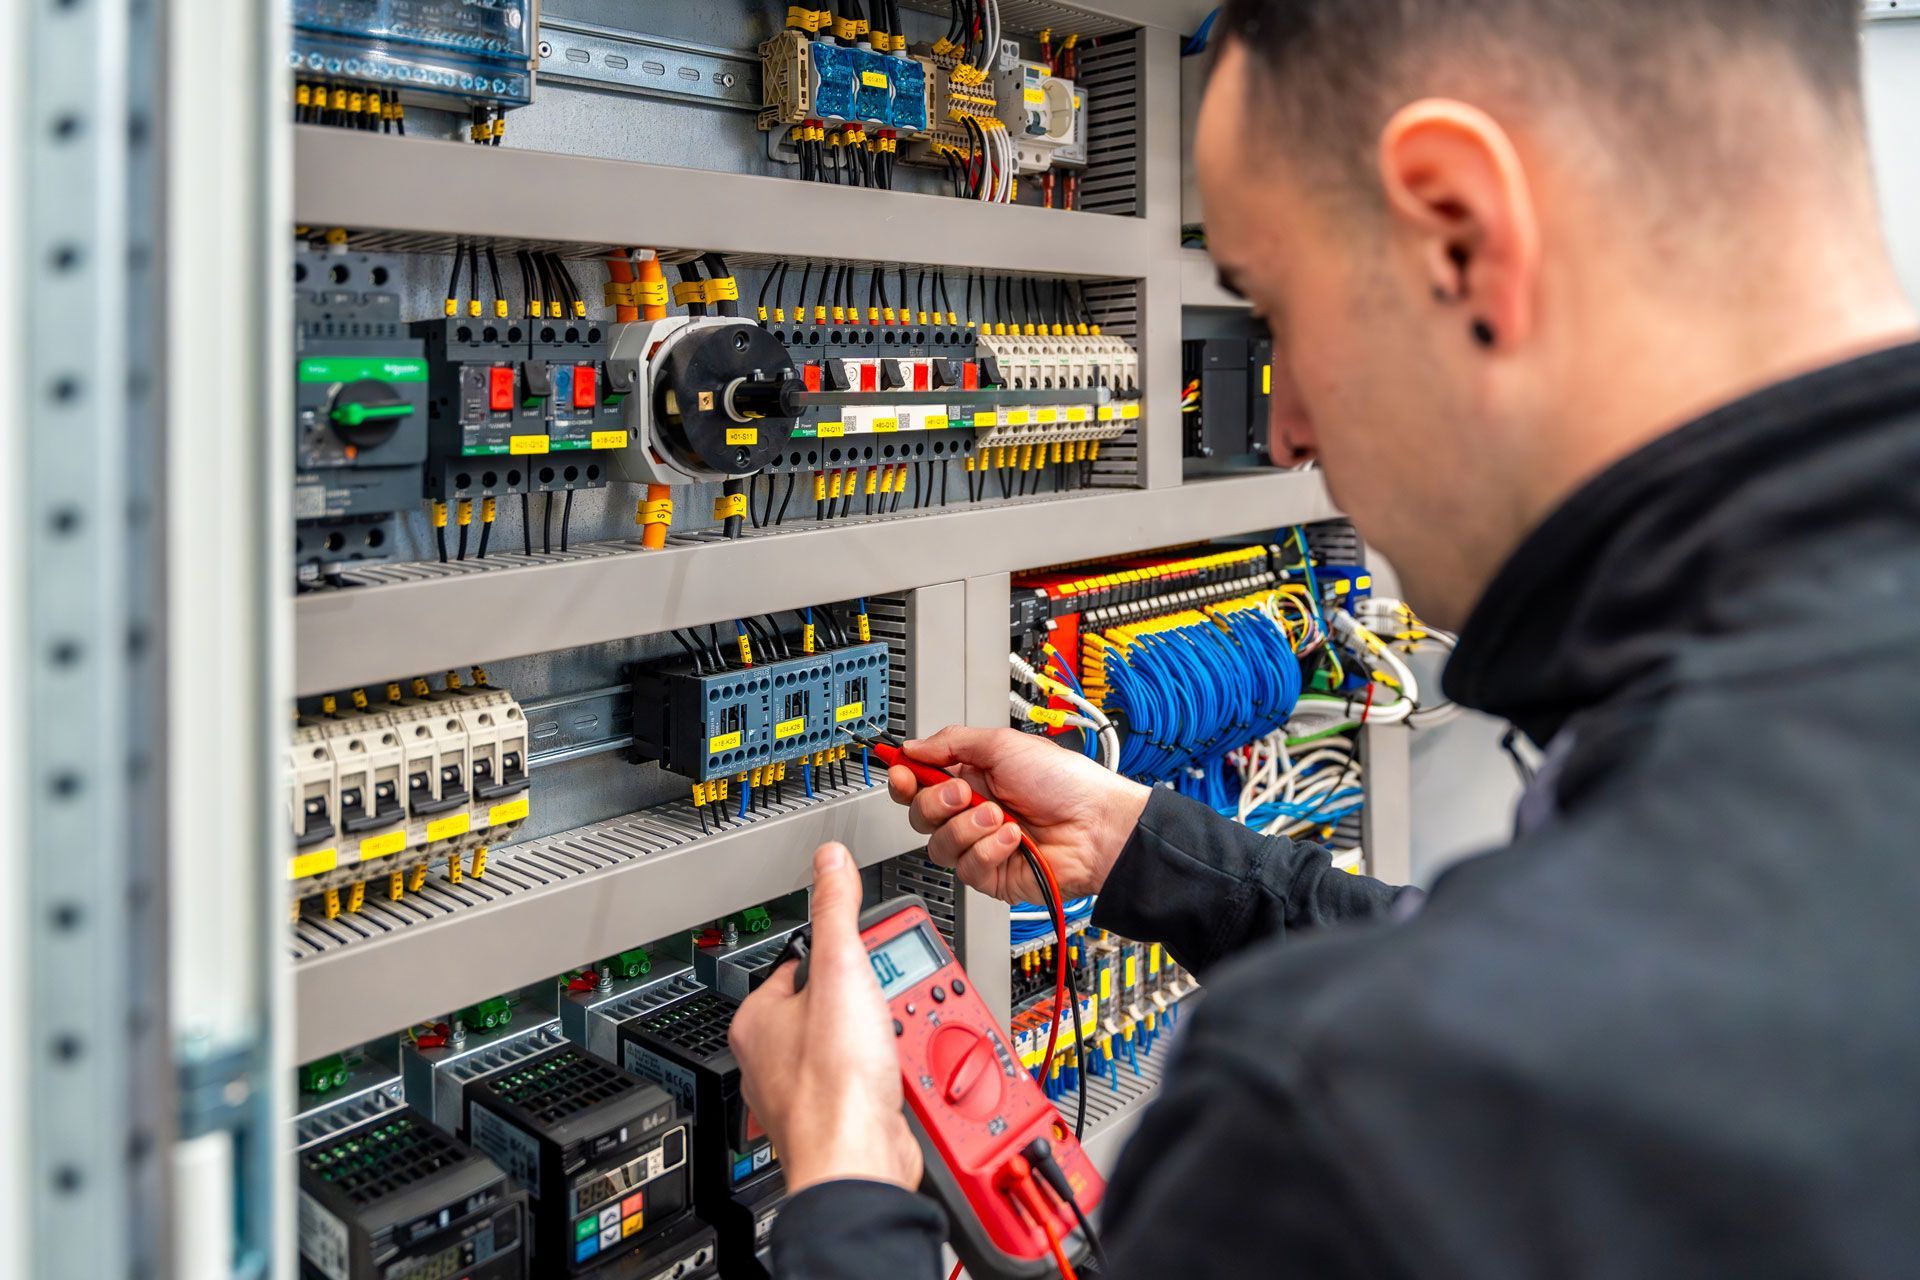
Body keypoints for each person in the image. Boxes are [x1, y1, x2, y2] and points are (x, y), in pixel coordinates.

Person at [730, 0, 1920, 1273]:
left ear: (1458, 227)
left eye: (1275, 307)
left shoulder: (1351, 1117)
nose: (1284, 424)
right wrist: (1146, 847)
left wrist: (846, 1175)